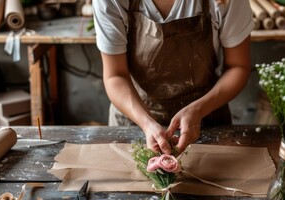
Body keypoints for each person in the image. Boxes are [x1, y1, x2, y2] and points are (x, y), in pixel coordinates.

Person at [93, 0, 253, 155]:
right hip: (133, 120)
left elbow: (237, 67)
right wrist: (146, 123)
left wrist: (197, 110)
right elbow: (115, 76)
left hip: (207, 119)